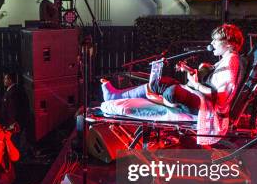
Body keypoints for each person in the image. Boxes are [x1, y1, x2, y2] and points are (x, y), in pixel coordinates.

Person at [100, 24, 244, 145]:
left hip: (206, 107)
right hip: (200, 98)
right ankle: (115, 95)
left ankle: (158, 100)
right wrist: (193, 73)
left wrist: (196, 84)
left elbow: (220, 97)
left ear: (229, 43)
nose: (211, 43)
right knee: (161, 82)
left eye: (215, 40)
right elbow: (212, 83)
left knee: (172, 92)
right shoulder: (226, 59)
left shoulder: (231, 61)